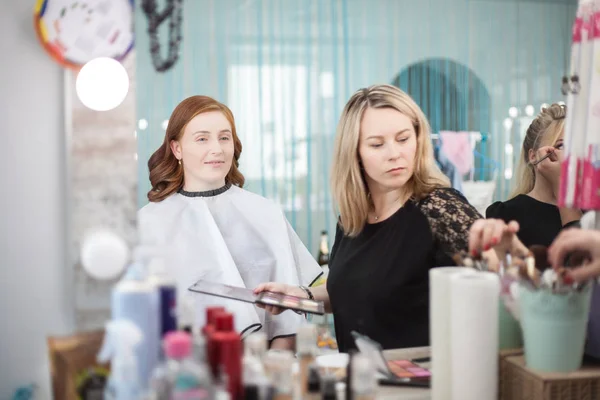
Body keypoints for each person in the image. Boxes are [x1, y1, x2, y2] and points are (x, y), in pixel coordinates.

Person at [255, 84, 486, 352]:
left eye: (403, 139)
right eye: (377, 144)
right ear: (355, 153)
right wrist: (300, 296)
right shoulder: (353, 218)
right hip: (363, 384)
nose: (394, 153)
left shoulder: (442, 209)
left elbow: (494, 297)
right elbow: (354, 290)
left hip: (420, 389)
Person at [138, 95, 323, 350]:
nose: (217, 149)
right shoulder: (149, 222)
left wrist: (268, 374)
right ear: (176, 148)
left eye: (224, 138)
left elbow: (288, 322)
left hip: (263, 366)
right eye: (202, 138)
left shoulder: (266, 213)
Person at [486, 104, 581, 249]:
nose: (572, 155)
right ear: (533, 156)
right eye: (561, 146)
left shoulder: (589, 212)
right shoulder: (505, 214)